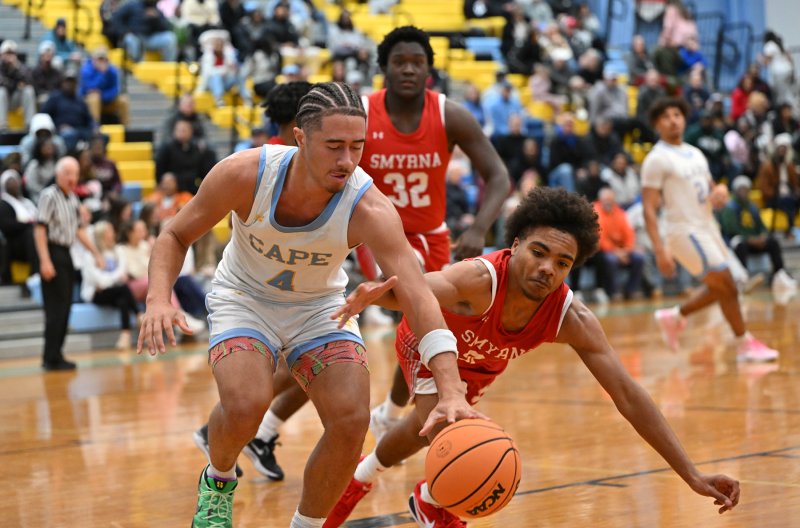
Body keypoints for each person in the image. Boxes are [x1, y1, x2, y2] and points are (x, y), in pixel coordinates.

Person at [135, 82, 481, 528]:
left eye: (357, 146)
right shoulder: (246, 174)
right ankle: (218, 481)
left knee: (352, 417)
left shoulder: (369, 206)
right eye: (334, 146)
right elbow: (174, 235)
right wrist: (158, 298)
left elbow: (417, 293)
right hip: (245, 298)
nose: (347, 160)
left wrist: (451, 388)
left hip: (320, 308)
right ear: (299, 137)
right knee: (246, 404)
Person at [324, 187, 741, 527]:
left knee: (422, 422)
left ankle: (361, 476)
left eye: (562, 262)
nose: (547, 268)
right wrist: (378, 293)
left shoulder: (570, 317)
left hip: (482, 364)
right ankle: (435, 504)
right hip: (429, 340)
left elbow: (628, 395)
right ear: (516, 244)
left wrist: (691, 473)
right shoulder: (479, 281)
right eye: (539, 252)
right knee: (451, 428)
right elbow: (419, 288)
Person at [354, 26, 511, 439]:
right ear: (383, 68)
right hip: (378, 233)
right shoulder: (363, 114)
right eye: (399, 62)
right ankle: (413, 406)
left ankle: (389, 412)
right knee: (423, 316)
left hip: (433, 234)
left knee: (426, 322)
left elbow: (498, 176)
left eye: (416, 62)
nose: (408, 69)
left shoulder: (449, 114)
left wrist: (479, 226)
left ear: (429, 70)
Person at [641, 97, 778, 361]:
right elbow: (649, 208)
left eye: (677, 115)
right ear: (657, 124)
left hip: (707, 227)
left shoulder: (695, 152)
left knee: (727, 286)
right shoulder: (656, 159)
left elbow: (711, 187)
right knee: (727, 283)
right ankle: (744, 344)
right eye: (666, 116)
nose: (673, 120)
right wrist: (660, 249)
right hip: (684, 231)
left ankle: (676, 315)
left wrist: (721, 192)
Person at [34, 157, 104, 371]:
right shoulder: (49, 195)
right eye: (68, 173)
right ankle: (49, 357)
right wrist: (45, 260)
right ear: (59, 174)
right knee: (55, 310)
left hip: (66, 254)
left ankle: (57, 355)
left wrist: (95, 252)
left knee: (65, 308)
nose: (73, 178)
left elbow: (78, 230)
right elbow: (39, 229)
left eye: (75, 174)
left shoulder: (72, 199)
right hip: (52, 251)